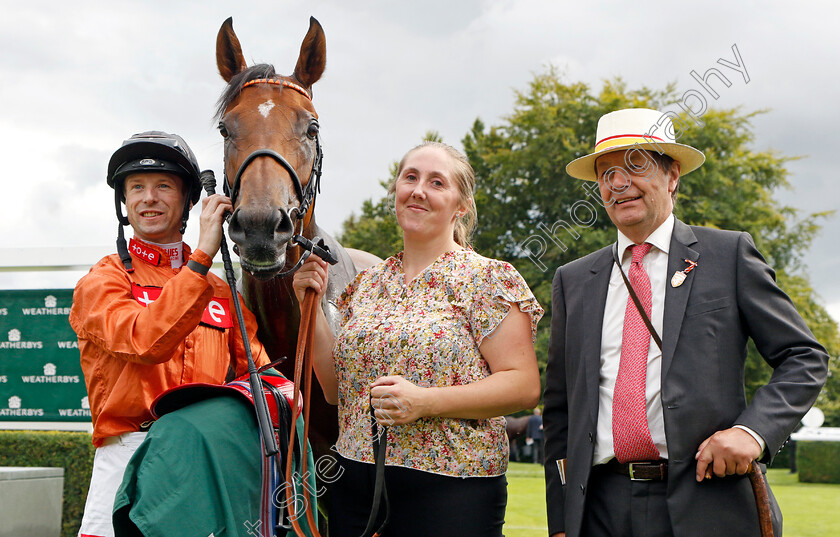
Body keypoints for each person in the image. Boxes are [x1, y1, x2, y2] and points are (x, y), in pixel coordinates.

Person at [542, 108, 829, 537]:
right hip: (600, 509)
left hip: (709, 503)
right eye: (606, 173)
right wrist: (562, 520)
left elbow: (804, 357)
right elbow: (560, 409)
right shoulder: (573, 280)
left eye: (634, 165)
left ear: (672, 174)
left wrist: (753, 432)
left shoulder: (728, 255)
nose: (618, 183)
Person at [292, 141, 544, 536]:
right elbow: (336, 391)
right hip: (356, 487)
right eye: (410, 177)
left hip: (452, 490)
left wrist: (426, 402)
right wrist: (311, 307)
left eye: (437, 182)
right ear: (396, 191)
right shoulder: (366, 286)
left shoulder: (488, 280)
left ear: (460, 205)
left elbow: (523, 385)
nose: (419, 190)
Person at [69, 131, 269, 537]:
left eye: (163, 186)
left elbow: (262, 379)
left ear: (188, 201)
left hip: (203, 461)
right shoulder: (103, 280)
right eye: (136, 188)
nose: (149, 198)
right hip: (127, 454)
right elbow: (146, 341)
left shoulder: (220, 290)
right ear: (124, 203)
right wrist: (200, 259)